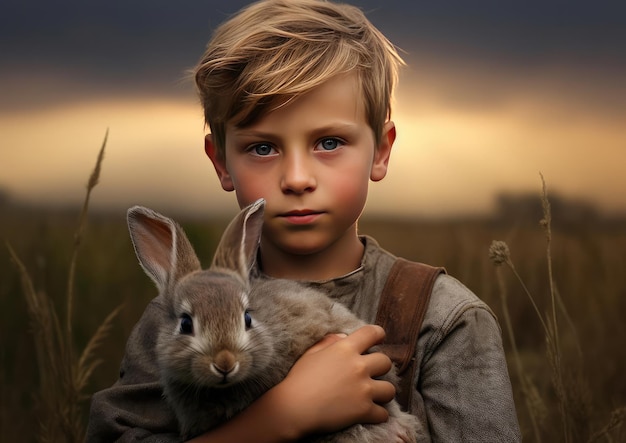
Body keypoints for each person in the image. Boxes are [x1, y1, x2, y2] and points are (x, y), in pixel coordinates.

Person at [87, 0, 521, 441]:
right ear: (221, 162)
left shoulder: (445, 318)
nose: (296, 179)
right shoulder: (176, 312)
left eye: (329, 142)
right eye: (262, 148)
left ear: (381, 150)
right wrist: (282, 417)